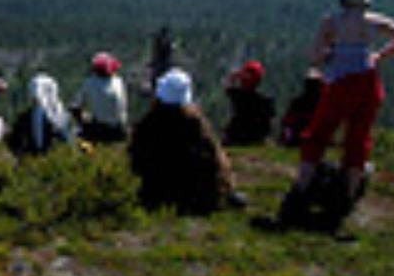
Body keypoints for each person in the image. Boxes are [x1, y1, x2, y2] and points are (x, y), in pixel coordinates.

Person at [278, 0, 394, 230]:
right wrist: (379, 55)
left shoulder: (331, 23)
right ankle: (347, 196)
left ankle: (302, 188)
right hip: (368, 82)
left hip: (340, 84)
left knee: (318, 134)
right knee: (358, 138)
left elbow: (315, 57)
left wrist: (332, 53)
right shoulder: (373, 22)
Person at [129, 68, 245, 215]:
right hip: (195, 196)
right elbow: (216, 161)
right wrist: (225, 188)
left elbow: (134, 157)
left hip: (156, 193)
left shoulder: (148, 125)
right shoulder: (196, 125)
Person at [73, 51, 129, 142]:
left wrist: (82, 119)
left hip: (101, 129)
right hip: (120, 129)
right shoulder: (119, 82)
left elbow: (75, 106)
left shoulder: (90, 83)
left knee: (80, 127)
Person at [221, 60, 275, 146]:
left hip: (235, 137)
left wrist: (234, 75)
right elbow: (269, 126)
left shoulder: (237, 95)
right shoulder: (266, 101)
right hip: (257, 139)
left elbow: (227, 85)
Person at [279, 69, 324, 147]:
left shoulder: (297, 102)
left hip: (299, 138)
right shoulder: (321, 104)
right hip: (310, 138)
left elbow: (286, 123)